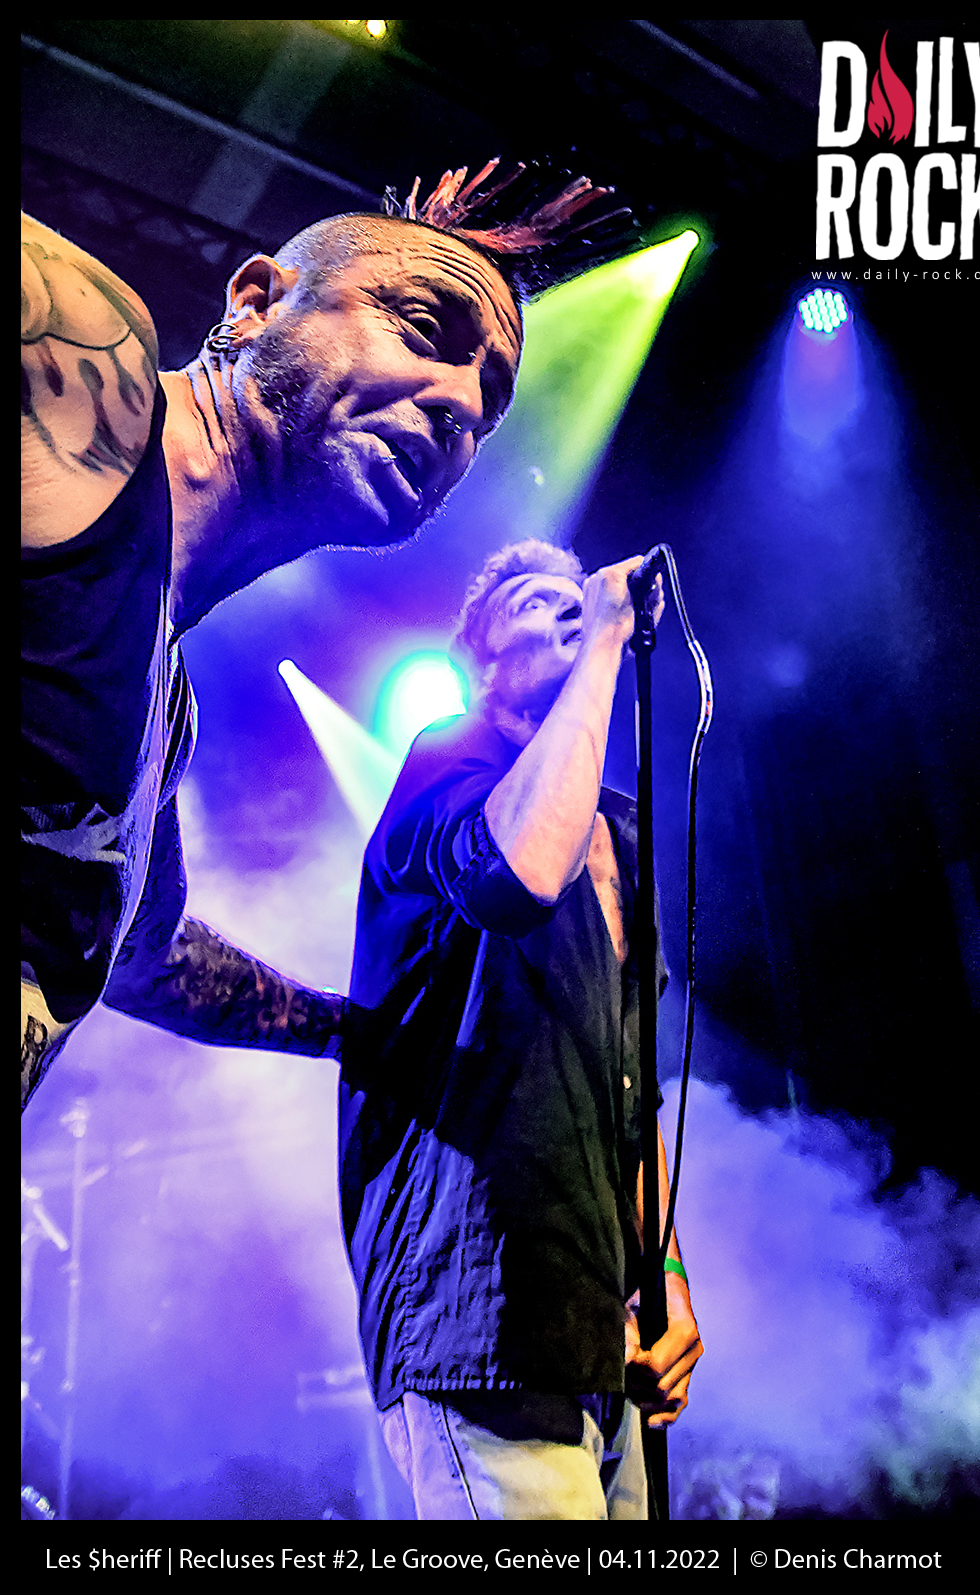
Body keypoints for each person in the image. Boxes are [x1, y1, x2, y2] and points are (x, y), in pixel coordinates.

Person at [21, 160, 624, 1112]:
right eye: (423, 326)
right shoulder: (80, 356)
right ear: (256, 303)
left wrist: (359, 1032)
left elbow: (149, 960)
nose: (465, 405)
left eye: (492, 398)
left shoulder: (161, 727)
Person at [341, 539, 703, 1520]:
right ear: (479, 660)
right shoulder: (445, 760)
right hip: (484, 1326)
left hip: (606, 1344)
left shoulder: (620, 836)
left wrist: (664, 1273)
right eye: (536, 601)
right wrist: (605, 636)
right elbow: (517, 874)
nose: (569, 607)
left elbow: (629, 1095)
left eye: (574, 595)